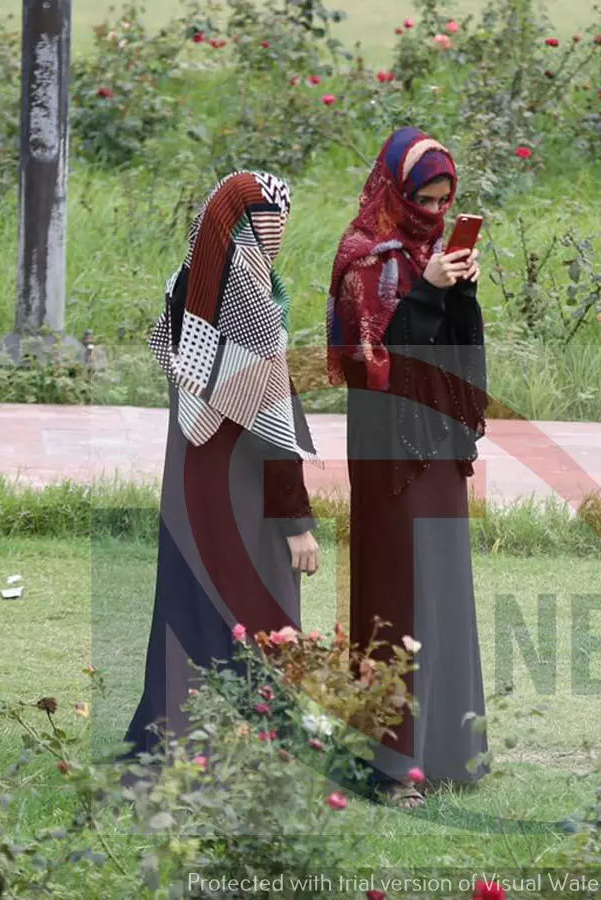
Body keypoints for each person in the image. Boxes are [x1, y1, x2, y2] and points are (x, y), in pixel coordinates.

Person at [125, 171, 321, 758]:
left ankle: (182, 729)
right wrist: (298, 520)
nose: (282, 231)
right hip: (242, 484)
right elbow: (272, 414)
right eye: (277, 218)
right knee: (258, 597)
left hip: (192, 478)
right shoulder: (247, 287)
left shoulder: (189, 276)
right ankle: (256, 734)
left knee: (194, 594)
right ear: (256, 221)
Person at [327, 127, 489, 808]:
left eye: (445, 199)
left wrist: (458, 293)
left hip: (439, 446)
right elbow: (370, 365)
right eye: (424, 196)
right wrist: (423, 290)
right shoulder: (362, 257)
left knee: (444, 587)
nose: (433, 210)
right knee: (398, 590)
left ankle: (451, 750)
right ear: (396, 188)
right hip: (390, 452)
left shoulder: (430, 253)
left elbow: (448, 356)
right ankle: (391, 765)